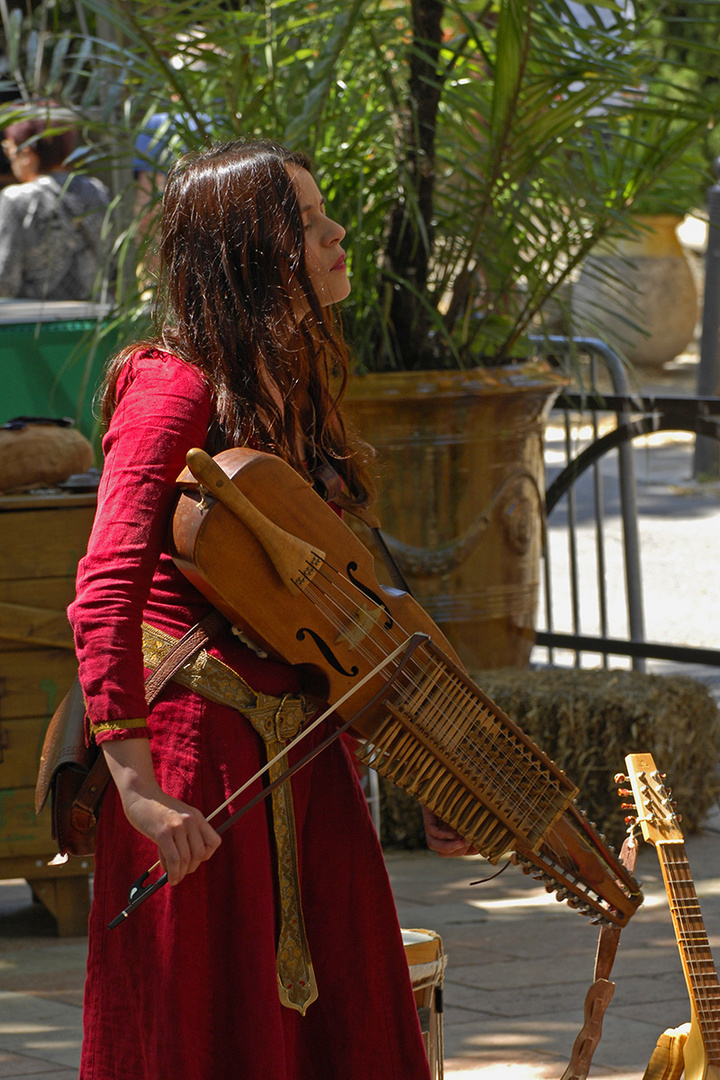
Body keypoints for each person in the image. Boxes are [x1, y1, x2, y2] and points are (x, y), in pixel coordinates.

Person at [68, 138, 470, 1080]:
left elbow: (328, 606)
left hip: (302, 755)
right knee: (200, 1026)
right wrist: (134, 786)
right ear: (253, 249)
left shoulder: (287, 386)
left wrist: (423, 766)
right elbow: (106, 580)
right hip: (194, 759)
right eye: (309, 223)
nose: (337, 238)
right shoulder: (173, 387)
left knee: (349, 1016)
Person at [0, 109, 110, 300]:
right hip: (94, 314)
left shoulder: (17, 198)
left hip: (33, 321)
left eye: (8, 149)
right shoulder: (96, 191)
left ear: (26, 151)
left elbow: (6, 280)